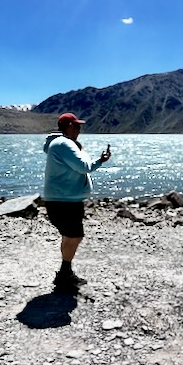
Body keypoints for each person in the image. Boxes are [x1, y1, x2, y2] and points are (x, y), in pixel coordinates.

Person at [43, 112, 111, 289]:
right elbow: (84, 167)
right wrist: (98, 160)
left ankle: (65, 272)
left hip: (63, 199)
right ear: (69, 127)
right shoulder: (65, 144)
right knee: (75, 236)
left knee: (70, 235)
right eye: (77, 126)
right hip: (65, 201)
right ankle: (64, 274)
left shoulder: (59, 144)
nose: (80, 129)